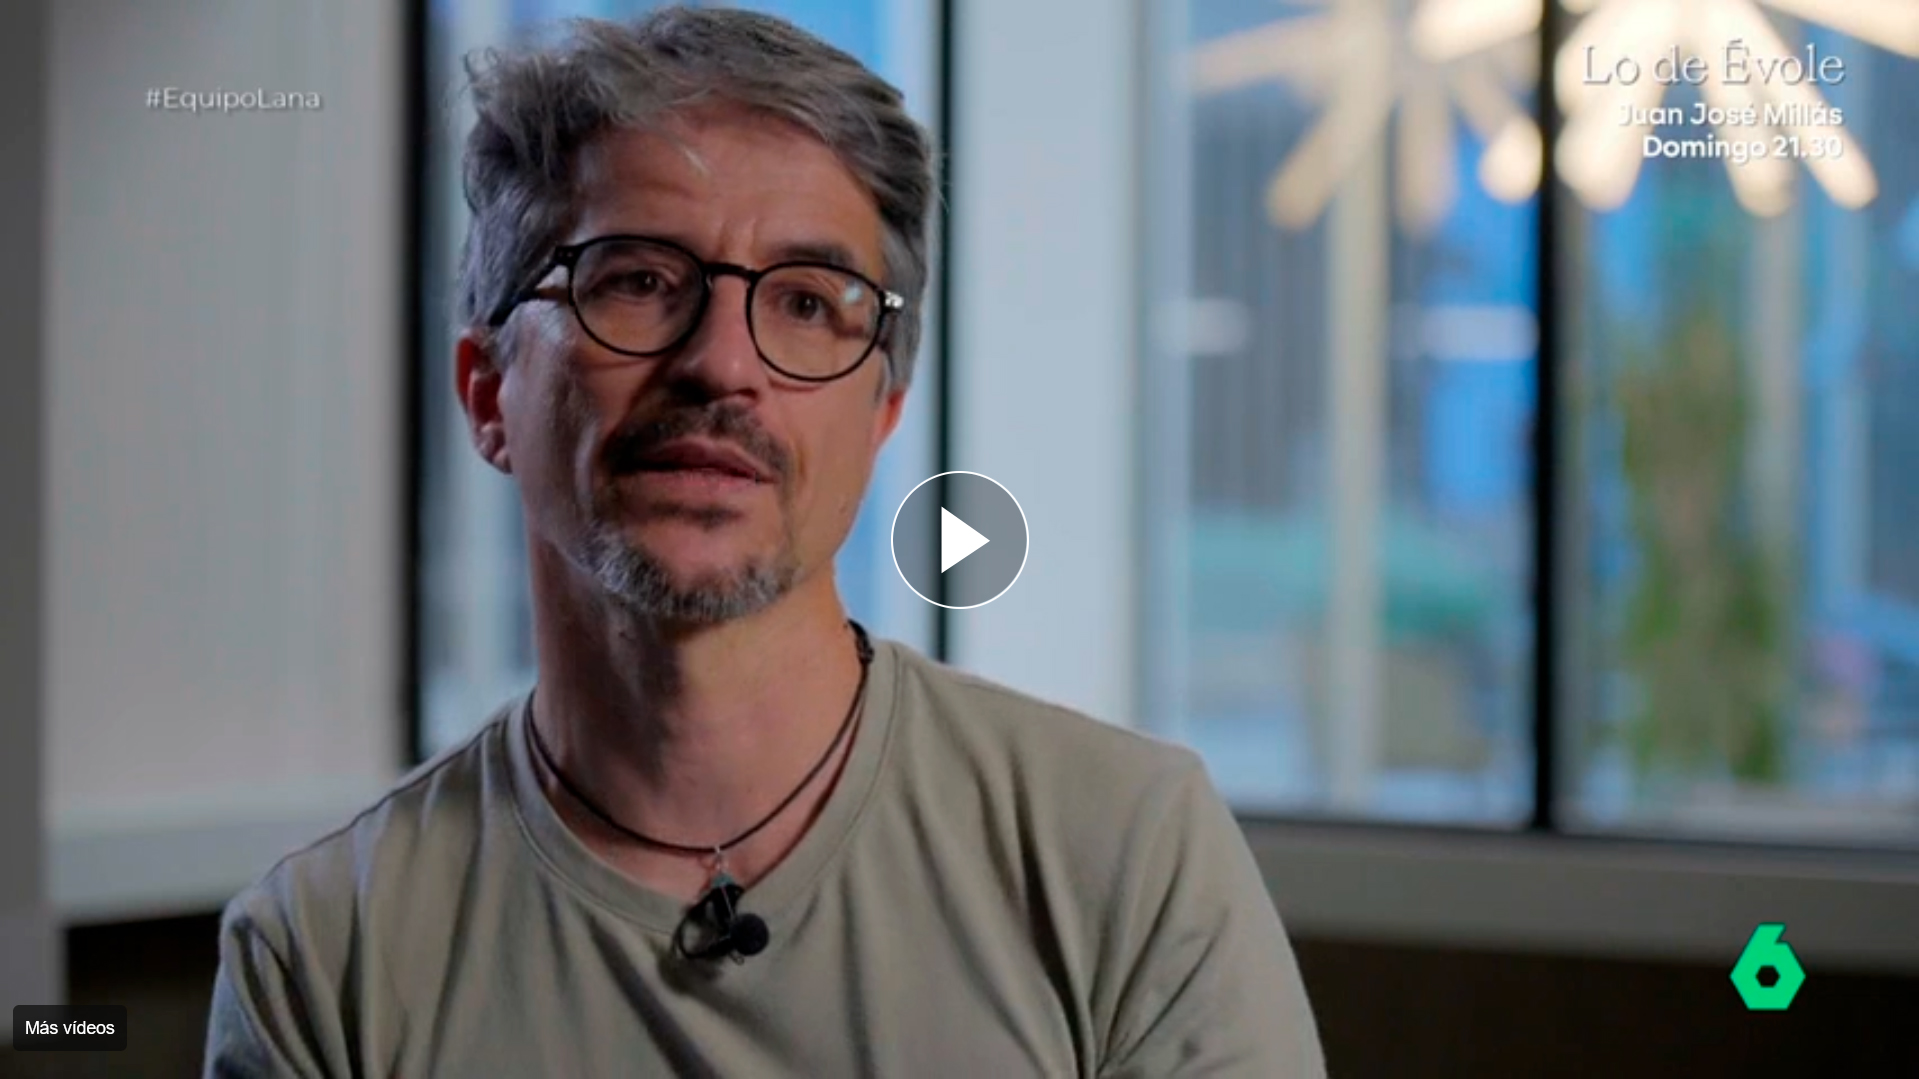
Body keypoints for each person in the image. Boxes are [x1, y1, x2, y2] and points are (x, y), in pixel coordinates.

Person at [204, 7, 1324, 1076]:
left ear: (881, 411)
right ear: (488, 391)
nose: (722, 363)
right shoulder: (326, 953)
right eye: (638, 281)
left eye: (805, 302)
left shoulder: (1126, 853)